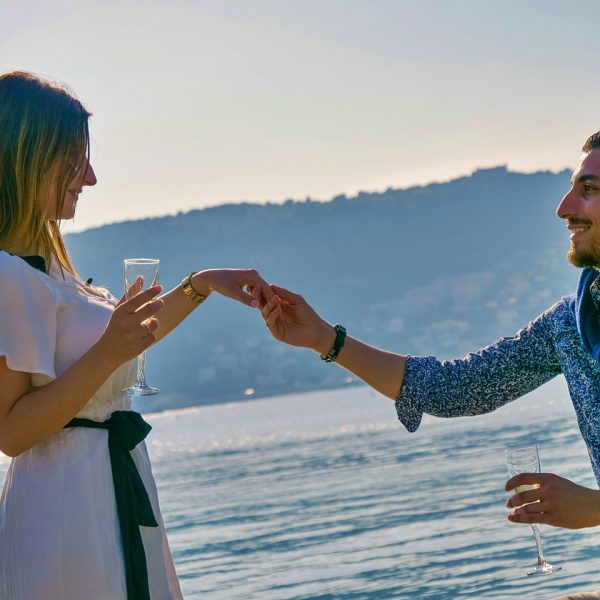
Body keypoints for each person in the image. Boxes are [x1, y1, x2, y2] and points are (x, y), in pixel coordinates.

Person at [259, 131, 600, 599]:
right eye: (572, 187)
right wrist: (324, 338)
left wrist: (595, 507)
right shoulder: (572, 324)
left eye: (589, 189)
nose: (563, 207)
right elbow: (451, 389)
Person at [0, 71, 272, 600]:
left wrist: (202, 285)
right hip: (65, 511)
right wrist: (106, 352)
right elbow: (10, 432)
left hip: (103, 487)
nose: (92, 178)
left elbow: (128, 345)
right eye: (77, 160)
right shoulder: (8, 276)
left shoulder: (48, 274)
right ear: (31, 158)